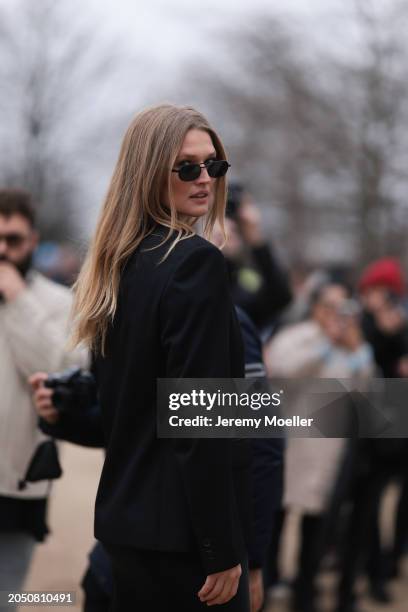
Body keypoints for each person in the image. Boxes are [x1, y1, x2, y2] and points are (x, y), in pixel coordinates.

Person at [69, 104, 251, 611]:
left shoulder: (119, 267)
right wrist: (221, 546)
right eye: (187, 167)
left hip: (129, 530)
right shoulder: (193, 263)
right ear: (148, 174)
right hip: (183, 541)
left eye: (214, 165)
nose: (205, 180)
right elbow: (200, 416)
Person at [0, 189, 86, 602]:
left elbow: (60, 368)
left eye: (12, 240)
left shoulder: (58, 303)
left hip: (18, 482)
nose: (1, 250)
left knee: (6, 597)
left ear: (33, 240)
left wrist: (17, 299)